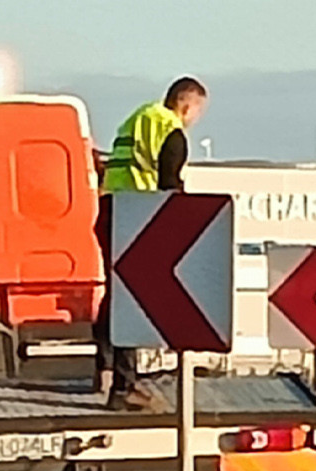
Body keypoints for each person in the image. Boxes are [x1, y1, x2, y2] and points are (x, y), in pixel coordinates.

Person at [95, 77, 208, 410]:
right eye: (197, 112)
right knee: (132, 299)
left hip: (110, 208)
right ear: (187, 105)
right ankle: (124, 385)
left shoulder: (137, 118)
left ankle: (103, 368)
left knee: (115, 295)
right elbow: (169, 185)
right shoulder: (171, 131)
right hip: (138, 217)